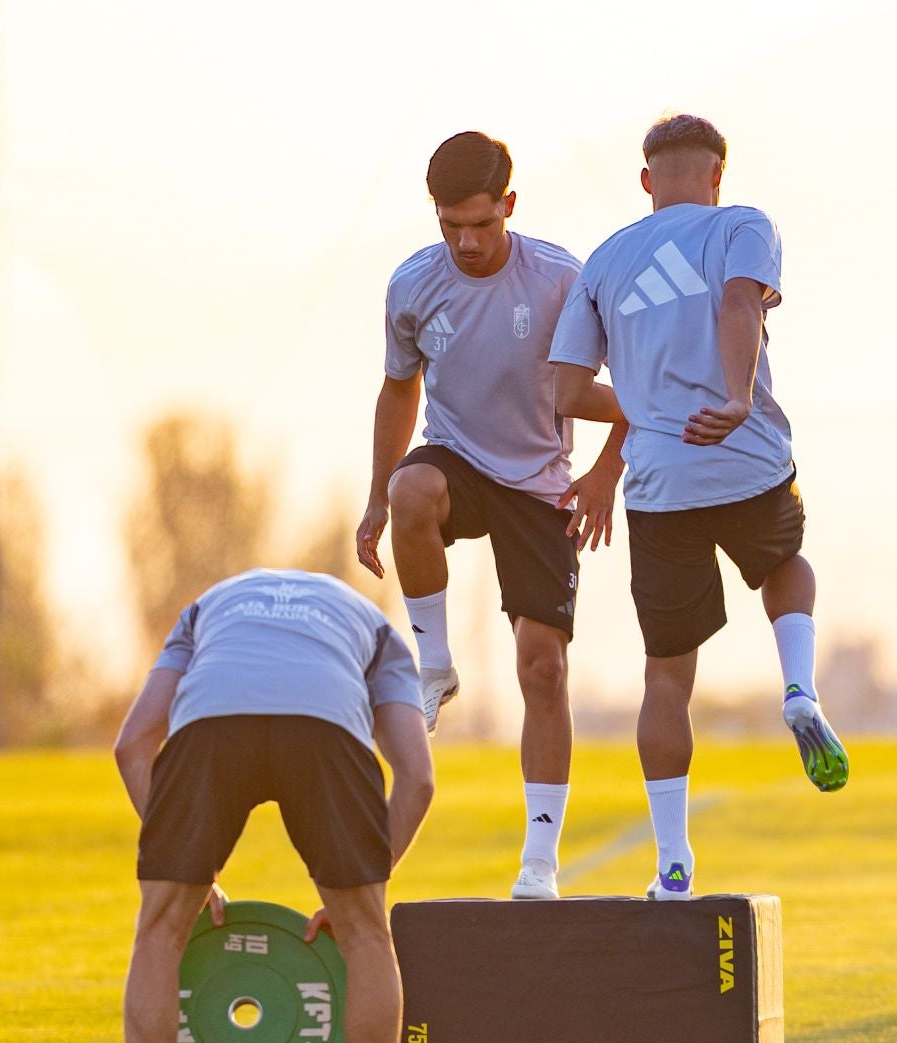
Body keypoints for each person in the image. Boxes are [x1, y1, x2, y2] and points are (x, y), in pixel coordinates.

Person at [548, 113, 847, 903]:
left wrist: (644, 413)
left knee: (667, 679)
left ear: (647, 181)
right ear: (717, 176)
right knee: (785, 563)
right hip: (743, 455)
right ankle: (799, 690)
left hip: (658, 482)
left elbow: (568, 392)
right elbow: (739, 306)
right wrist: (739, 398)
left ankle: (673, 863)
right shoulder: (742, 226)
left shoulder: (605, 262)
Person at [356, 131, 628, 902]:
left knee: (543, 667)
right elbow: (398, 390)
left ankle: (540, 859)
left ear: (509, 205)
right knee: (414, 495)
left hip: (541, 485)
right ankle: (433, 664)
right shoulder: (412, 286)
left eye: (481, 223)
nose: (467, 242)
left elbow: (634, 383)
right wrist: (377, 495)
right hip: (458, 462)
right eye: (451, 226)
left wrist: (607, 468)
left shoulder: (563, 280)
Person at [96, 568, 434, 1043]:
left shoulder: (203, 606)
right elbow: (418, 777)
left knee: (160, 930)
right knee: (366, 936)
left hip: (212, 725)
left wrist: (189, 871)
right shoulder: (379, 629)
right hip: (325, 726)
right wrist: (367, 886)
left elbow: (133, 744)